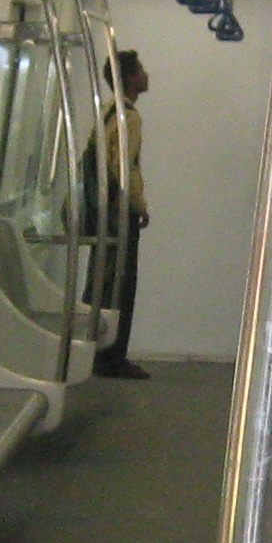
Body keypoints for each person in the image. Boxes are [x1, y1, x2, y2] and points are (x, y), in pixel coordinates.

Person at [87, 50, 151, 379]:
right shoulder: (130, 117)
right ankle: (112, 357)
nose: (146, 74)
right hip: (118, 211)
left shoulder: (108, 111)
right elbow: (125, 167)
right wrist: (139, 206)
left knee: (101, 281)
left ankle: (92, 352)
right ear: (128, 78)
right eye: (140, 69)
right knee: (121, 284)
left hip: (102, 210)